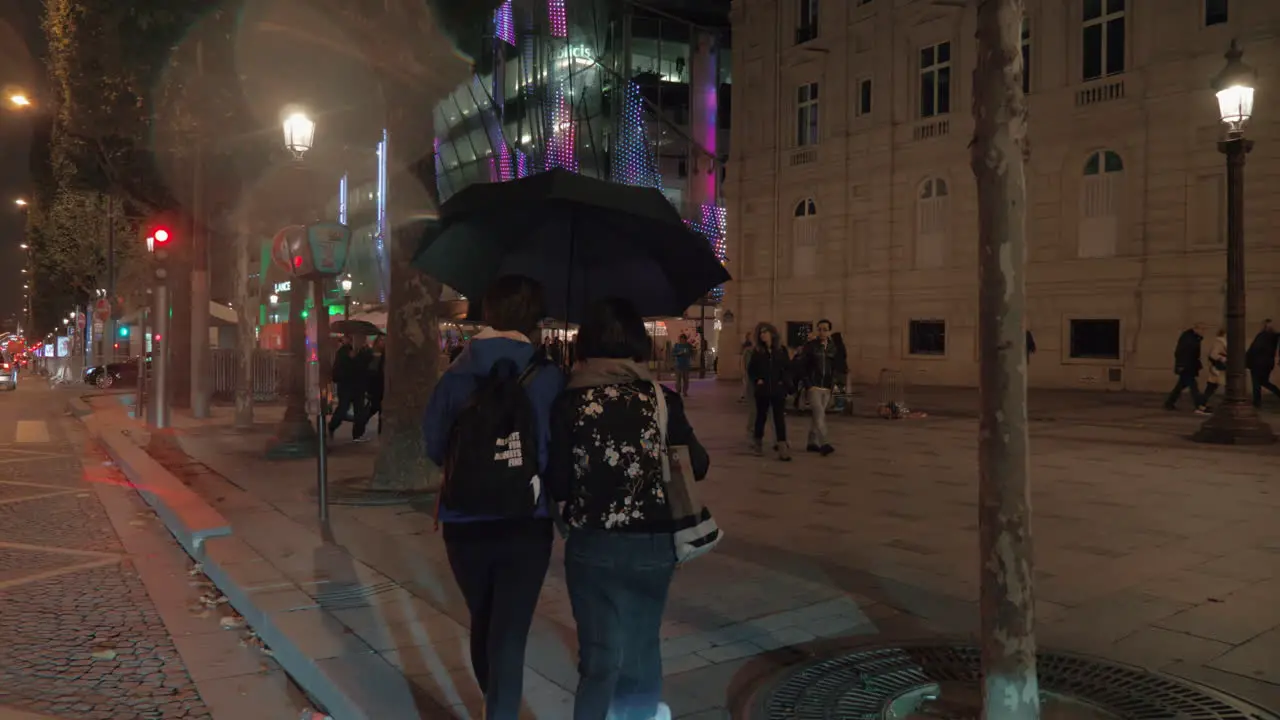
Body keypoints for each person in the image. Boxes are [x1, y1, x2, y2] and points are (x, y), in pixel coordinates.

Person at [548, 297, 708, 720]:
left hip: (592, 544)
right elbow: (700, 464)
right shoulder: (662, 399)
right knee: (641, 648)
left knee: (599, 658)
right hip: (653, 546)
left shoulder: (569, 402)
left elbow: (559, 481)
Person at [423, 275, 566, 719]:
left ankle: (494, 705)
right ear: (534, 321)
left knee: (483, 619)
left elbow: (433, 446)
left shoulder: (455, 375)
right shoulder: (548, 378)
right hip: (526, 521)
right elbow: (554, 452)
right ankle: (500, 711)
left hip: (463, 522)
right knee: (509, 632)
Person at [747, 322, 792, 461]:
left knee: (779, 418)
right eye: (760, 333)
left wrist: (783, 382)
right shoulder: (757, 352)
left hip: (778, 390)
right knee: (761, 417)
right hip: (763, 390)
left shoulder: (781, 350)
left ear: (772, 334)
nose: (763, 335)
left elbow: (787, 368)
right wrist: (758, 380)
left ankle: (782, 446)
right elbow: (751, 370)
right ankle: (758, 442)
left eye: (765, 332)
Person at [794, 319, 839, 456]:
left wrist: (834, 384)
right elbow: (802, 366)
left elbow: (835, 367)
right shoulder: (811, 346)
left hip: (826, 387)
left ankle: (811, 442)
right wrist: (808, 384)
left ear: (829, 331)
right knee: (819, 415)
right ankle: (824, 442)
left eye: (825, 329)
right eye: (819, 329)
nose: (822, 332)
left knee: (816, 416)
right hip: (813, 386)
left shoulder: (833, 347)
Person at [329, 334, 374, 442]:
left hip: (359, 385)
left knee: (359, 410)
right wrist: (350, 358)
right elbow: (340, 368)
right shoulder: (343, 352)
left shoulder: (364, 351)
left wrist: (365, 351)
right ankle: (332, 425)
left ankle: (358, 434)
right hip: (346, 385)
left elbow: (367, 364)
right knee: (343, 407)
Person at [1164, 324, 1205, 411]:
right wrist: (1181, 365)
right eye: (1202, 329)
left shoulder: (1193, 338)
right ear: (1196, 329)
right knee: (1194, 387)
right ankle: (1199, 405)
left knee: (1180, 387)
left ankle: (1169, 403)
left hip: (1189, 366)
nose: (1203, 332)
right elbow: (1181, 352)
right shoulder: (1188, 339)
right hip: (1187, 367)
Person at [1246, 319, 1280, 408]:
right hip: (1267, 363)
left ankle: (1257, 402)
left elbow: (1254, 349)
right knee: (1264, 382)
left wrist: (1247, 360)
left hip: (1257, 363)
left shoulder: (1262, 336)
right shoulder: (1275, 337)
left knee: (1256, 383)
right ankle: (1277, 393)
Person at [1197, 328, 1227, 415]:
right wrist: (1223, 358)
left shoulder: (1221, 342)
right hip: (1218, 370)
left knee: (1211, 388)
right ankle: (1201, 406)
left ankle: (1201, 405)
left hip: (1218, 370)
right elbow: (1214, 355)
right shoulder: (1220, 342)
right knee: (1211, 388)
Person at [367, 335, 386, 435]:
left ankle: (381, 430)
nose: (383, 342)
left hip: (382, 384)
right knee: (375, 407)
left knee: (381, 409)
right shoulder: (373, 354)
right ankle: (361, 422)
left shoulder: (385, 354)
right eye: (381, 340)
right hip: (376, 385)